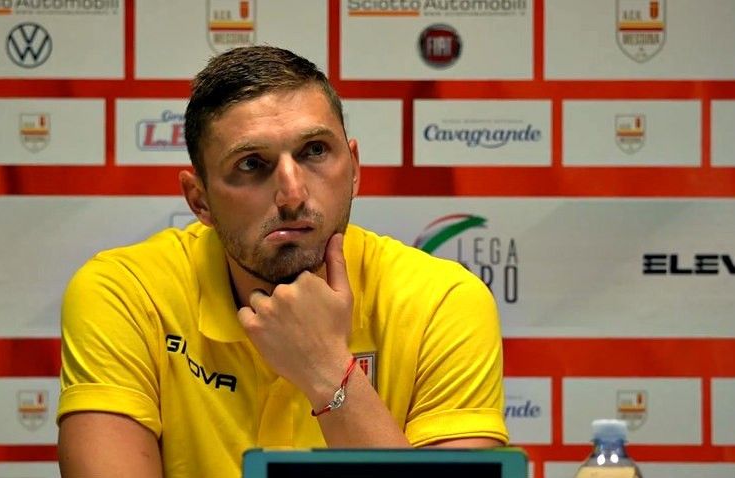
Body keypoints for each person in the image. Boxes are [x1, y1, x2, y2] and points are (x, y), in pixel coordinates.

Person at [56, 45, 508, 478]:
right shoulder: (127, 294)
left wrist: (329, 373)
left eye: (315, 151)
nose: (293, 194)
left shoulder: (442, 302)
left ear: (353, 168)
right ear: (200, 200)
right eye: (251, 164)